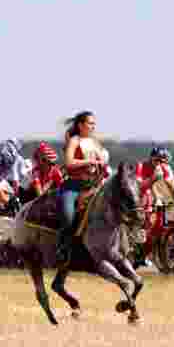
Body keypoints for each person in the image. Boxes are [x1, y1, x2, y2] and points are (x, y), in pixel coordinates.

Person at [57, 111, 106, 263]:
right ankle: (62, 248)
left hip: (93, 185)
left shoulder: (95, 142)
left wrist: (101, 167)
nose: (93, 126)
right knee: (68, 216)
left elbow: (102, 162)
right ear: (80, 125)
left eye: (93, 123)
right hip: (73, 186)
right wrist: (88, 162)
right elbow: (69, 162)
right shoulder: (74, 140)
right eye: (90, 123)